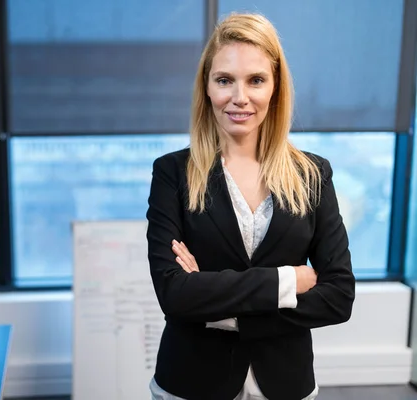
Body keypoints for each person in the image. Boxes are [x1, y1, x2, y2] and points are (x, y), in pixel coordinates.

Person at [145, 12, 355, 400]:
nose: (239, 97)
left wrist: (219, 309)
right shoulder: (173, 174)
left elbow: (339, 297)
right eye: (224, 80)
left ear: (275, 87)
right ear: (206, 87)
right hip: (191, 381)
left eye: (256, 80)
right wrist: (288, 281)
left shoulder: (313, 175)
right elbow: (173, 295)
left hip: (285, 381)